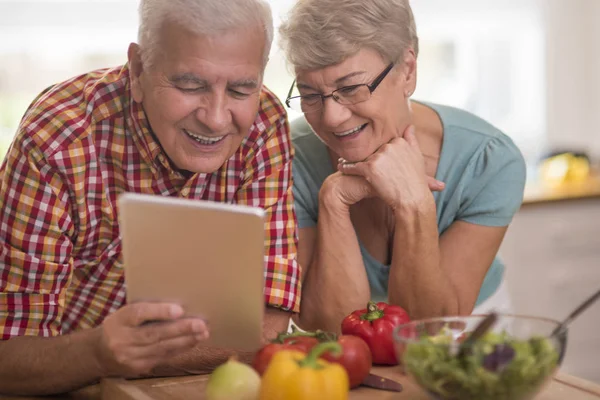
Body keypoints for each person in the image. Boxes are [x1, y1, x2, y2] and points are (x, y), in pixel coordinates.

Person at [0, 0, 301, 395]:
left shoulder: (264, 124)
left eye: (242, 88)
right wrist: (96, 354)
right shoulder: (57, 139)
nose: (215, 117)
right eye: (190, 84)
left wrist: (137, 358)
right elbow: (9, 357)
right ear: (139, 70)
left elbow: (266, 322)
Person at [278, 0, 526, 333]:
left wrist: (414, 202)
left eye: (351, 88)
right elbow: (329, 330)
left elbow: (431, 329)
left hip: (471, 333)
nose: (331, 118)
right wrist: (334, 200)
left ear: (407, 70)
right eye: (309, 94)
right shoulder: (289, 157)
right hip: (351, 344)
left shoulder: (488, 160)